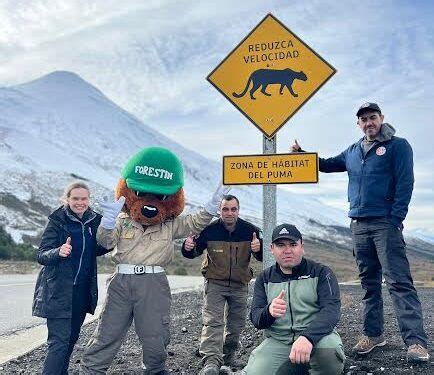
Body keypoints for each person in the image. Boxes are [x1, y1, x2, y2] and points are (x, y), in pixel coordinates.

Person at [290, 102, 429, 362]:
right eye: (364, 119)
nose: (369, 123)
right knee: (369, 284)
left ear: (381, 118)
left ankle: (416, 343)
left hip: (385, 224)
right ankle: (373, 334)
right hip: (359, 225)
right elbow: (327, 164)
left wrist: (396, 219)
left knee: (399, 283)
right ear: (358, 124)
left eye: (372, 117)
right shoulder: (353, 151)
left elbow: (406, 183)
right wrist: (303, 153)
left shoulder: (398, 146)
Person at [243, 223, 345, 375]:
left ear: (302, 246)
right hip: (279, 341)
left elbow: (331, 310)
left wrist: (307, 338)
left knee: (329, 357)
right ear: (271, 248)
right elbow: (256, 319)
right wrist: (269, 312)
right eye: (281, 245)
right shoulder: (264, 278)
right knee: (256, 372)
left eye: (293, 244)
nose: (287, 250)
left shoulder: (321, 272)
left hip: (317, 338)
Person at [32, 182, 112, 375]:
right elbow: (42, 254)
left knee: (71, 339)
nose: (80, 202)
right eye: (75, 198)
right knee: (58, 344)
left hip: (81, 292)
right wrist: (59, 251)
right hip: (58, 291)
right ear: (67, 199)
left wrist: (110, 239)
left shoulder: (94, 221)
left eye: (83, 198)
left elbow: (99, 248)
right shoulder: (57, 220)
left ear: (88, 199)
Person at [181, 194, 263, 375]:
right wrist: (187, 248)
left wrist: (259, 249)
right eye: (225, 209)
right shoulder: (210, 230)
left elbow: (264, 257)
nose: (229, 213)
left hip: (240, 284)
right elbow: (193, 251)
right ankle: (211, 361)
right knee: (213, 322)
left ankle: (229, 356)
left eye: (233, 209)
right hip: (215, 283)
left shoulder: (250, 231)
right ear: (220, 210)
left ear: (238, 210)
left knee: (236, 323)